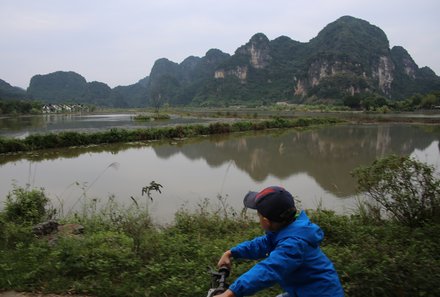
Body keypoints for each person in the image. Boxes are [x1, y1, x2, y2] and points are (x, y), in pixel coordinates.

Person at [215, 186, 344, 297]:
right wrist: (232, 252)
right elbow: (262, 244)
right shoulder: (287, 230)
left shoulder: (294, 244)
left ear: (265, 221)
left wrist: (231, 292)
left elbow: (269, 270)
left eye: (258, 215)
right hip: (303, 290)